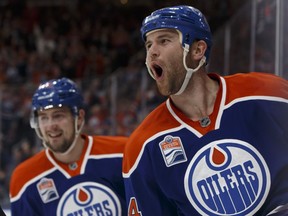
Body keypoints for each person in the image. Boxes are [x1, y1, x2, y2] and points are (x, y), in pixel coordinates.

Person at [122, 5, 288, 216]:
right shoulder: (142, 147)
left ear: (198, 50)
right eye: (148, 45)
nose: (152, 52)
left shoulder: (267, 94)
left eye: (164, 41)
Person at [10, 77, 127, 216]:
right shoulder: (24, 179)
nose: (50, 125)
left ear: (80, 118)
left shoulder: (122, 153)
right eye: (43, 118)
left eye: (58, 116)